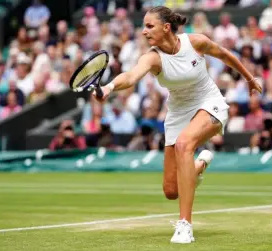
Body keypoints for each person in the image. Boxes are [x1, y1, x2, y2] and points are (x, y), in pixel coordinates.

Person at [93, 6, 262, 244]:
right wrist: (108, 88)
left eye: (149, 26)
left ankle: (185, 226)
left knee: (184, 144)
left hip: (209, 102)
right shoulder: (152, 58)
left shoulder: (196, 42)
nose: (144, 32)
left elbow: (224, 54)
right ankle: (199, 165)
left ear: (166, 27)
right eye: (143, 26)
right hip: (177, 113)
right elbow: (131, 77)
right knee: (171, 191)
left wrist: (249, 78)